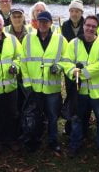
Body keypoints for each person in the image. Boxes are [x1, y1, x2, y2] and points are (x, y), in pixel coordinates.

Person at [61, 15, 99, 157]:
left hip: (98, 92)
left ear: (97, 28)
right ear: (83, 25)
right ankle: (75, 144)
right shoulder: (74, 43)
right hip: (80, 91)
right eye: (88, 25)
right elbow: (66, 62)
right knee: (77, 119)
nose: (90, 28)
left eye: (93, 26)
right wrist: (72, 70)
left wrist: (82, 73)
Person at [21, 11, 68, 153]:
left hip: (51, 88)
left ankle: (53, 141)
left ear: (50, 23)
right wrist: (27, 84)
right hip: (34, 87)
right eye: (40, 21)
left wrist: (59, 67)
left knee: (53, 116)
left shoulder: (60, 40)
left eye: (45, 22)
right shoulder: (27, 39)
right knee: (35, 115)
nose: (42, 24)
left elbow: (67, 60)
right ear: (36, 22)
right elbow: (23, 62)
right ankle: (34, 140)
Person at [0, 13, 22, 153]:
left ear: (3, 25)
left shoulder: (12, 40)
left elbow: (20, 57)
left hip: (11, 87)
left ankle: (12, 139)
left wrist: (15, 66)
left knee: (13, 114)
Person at [61, 0, 86, 135]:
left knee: (81, 96)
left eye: (77, 11)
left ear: (81, 12)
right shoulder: (65, 25)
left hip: (83, 67)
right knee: (71, 94)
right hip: (69, 67)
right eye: (72, 11)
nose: (74, 14)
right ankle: (69, 124)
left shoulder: (87, 25)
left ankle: (83, 125)